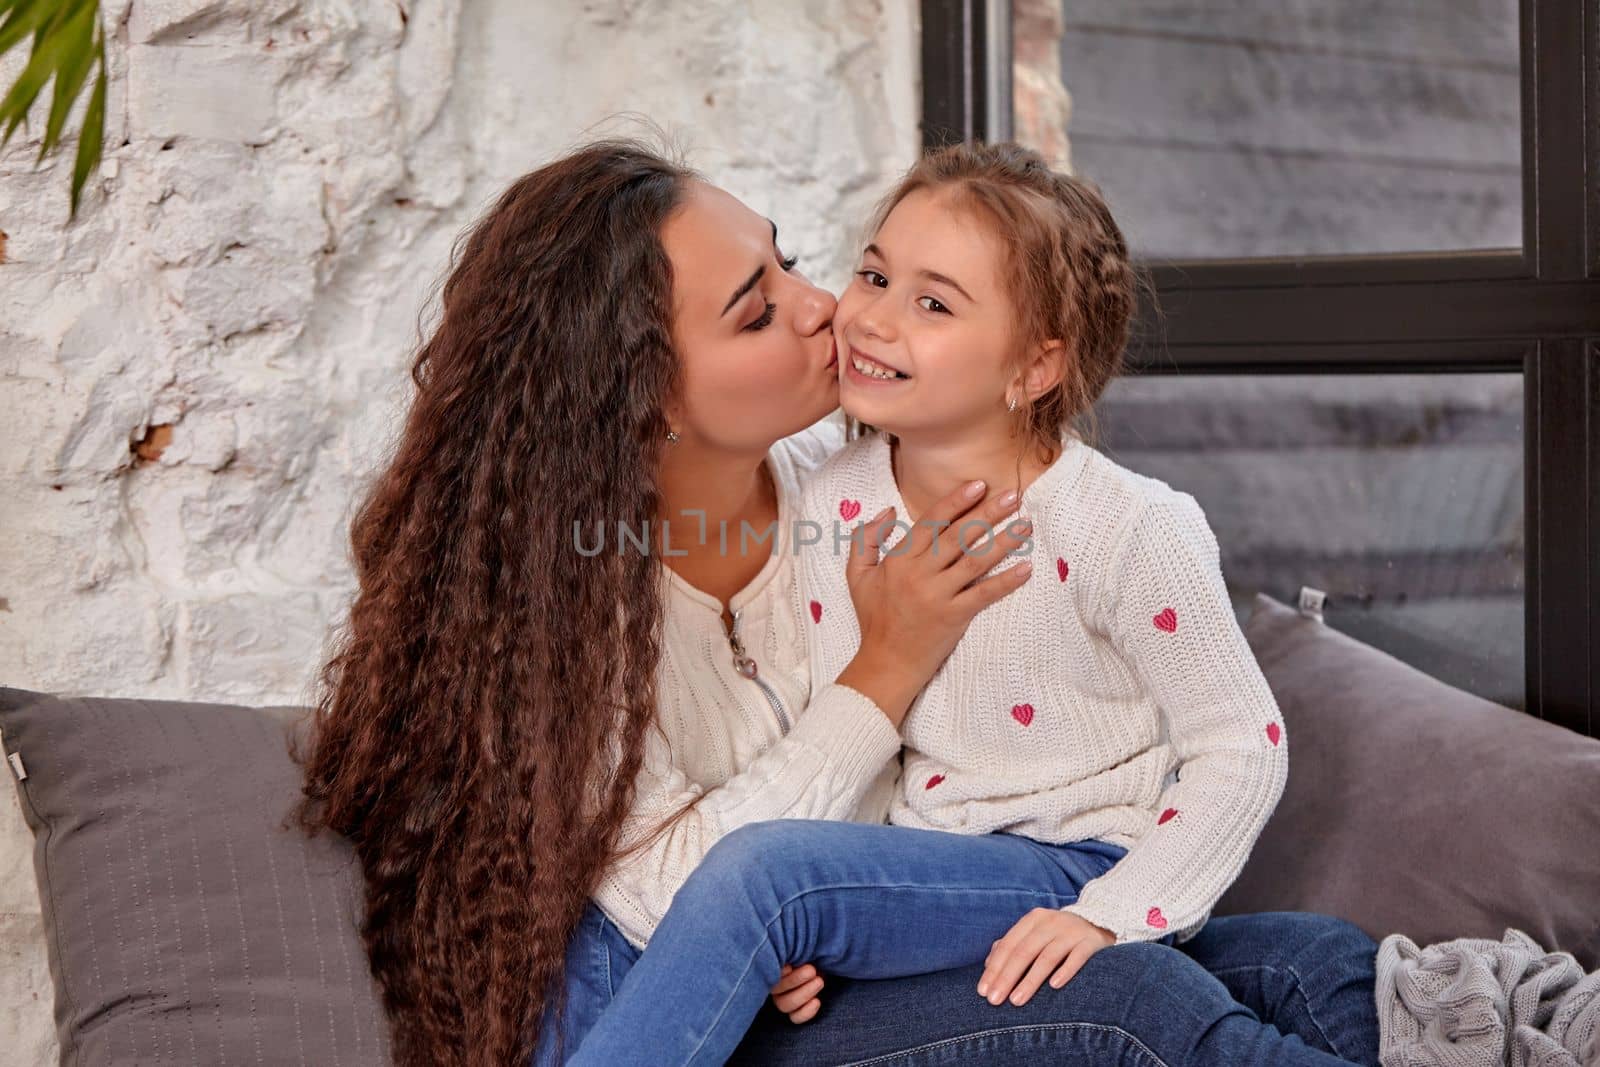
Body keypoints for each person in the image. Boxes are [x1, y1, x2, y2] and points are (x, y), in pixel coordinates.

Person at [289, 137, 1380, 1067]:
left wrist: (866, 911)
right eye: (760, 309)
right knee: (1143, 1001)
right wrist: (884, 666)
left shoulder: (860, 478)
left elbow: (926, 792)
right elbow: (682, 897)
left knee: (1307, 955)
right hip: (684, 998)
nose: (830, 312)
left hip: (889, 919)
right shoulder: (572, 612)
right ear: (643, 392)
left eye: (796, 261)